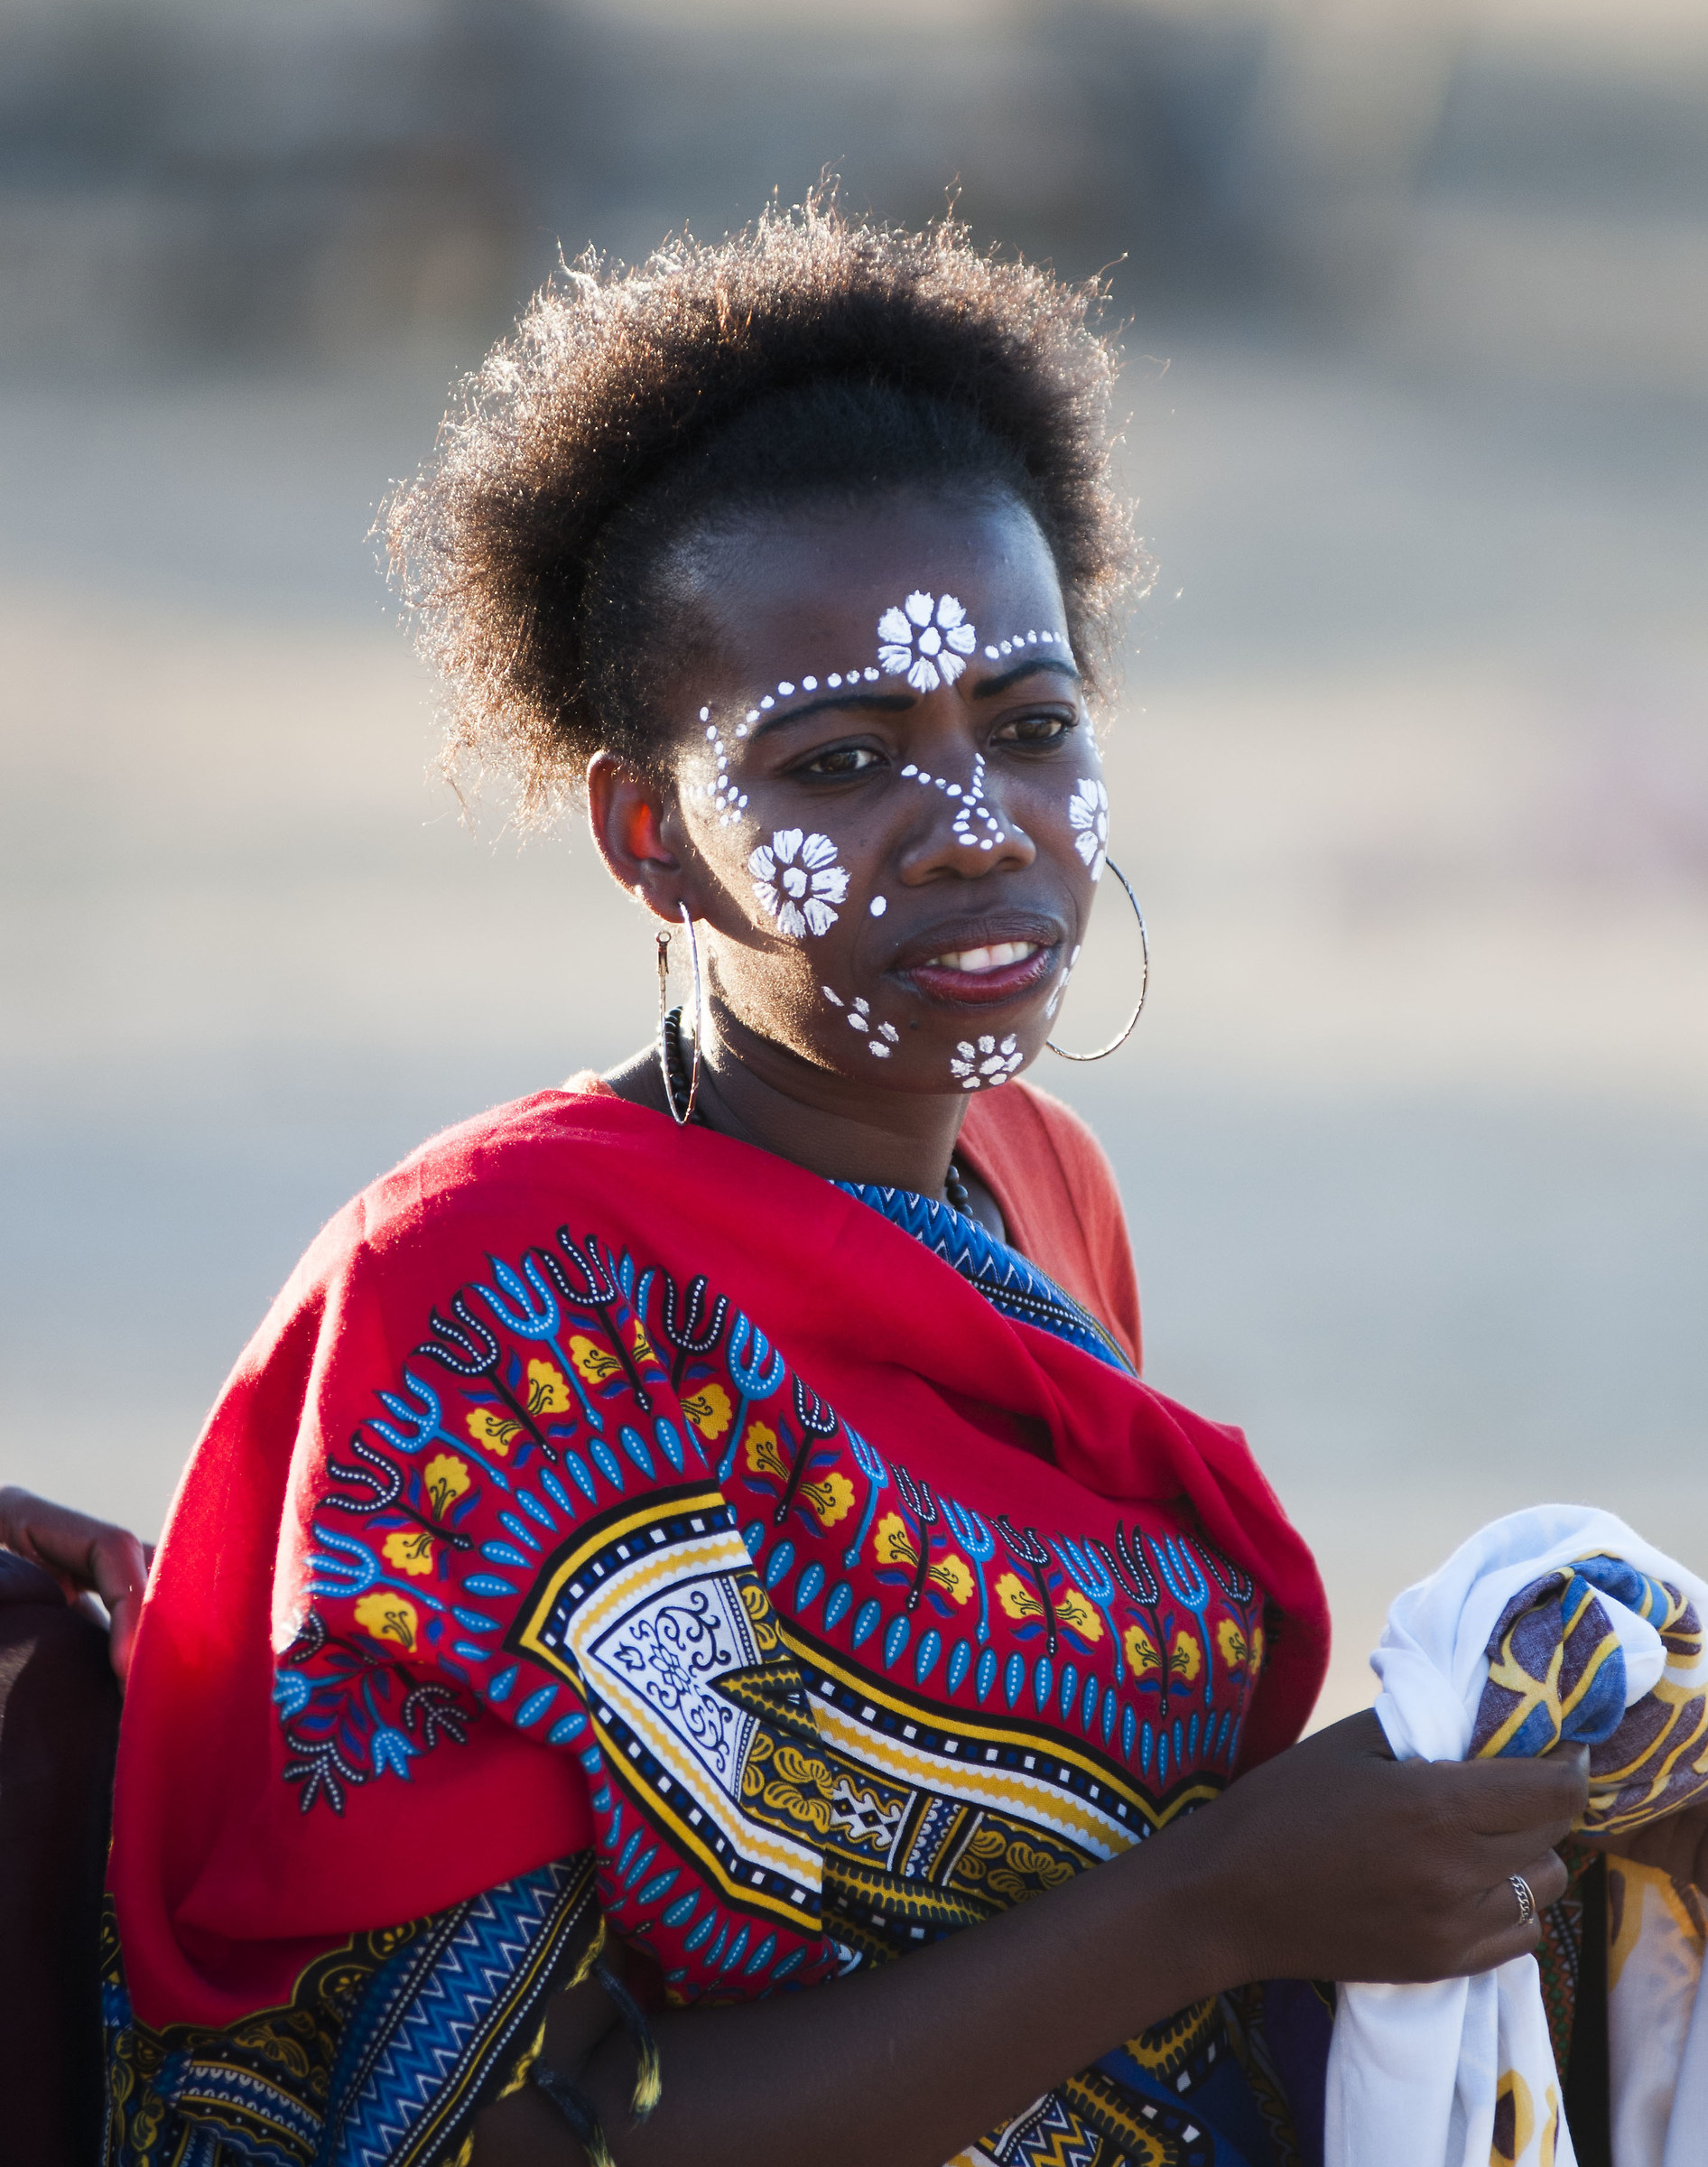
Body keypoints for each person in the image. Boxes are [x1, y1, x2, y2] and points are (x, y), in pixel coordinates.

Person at [89, 205, 1592, 2167]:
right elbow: (504, 2135)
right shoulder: (494, 1316)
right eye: (837, 763)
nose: (978, 834)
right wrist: (1210, 1909)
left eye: (1032, 732)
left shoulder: (1034, 1192)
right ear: (650, 834)